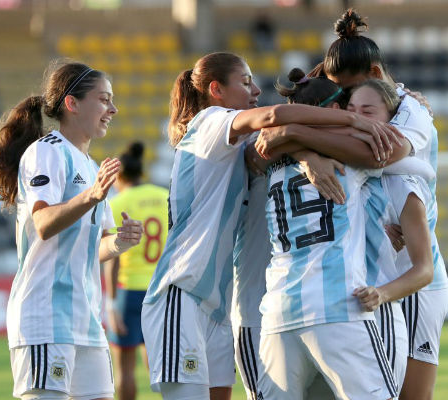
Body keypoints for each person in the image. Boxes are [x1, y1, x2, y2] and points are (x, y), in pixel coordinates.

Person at [140, 52, 402, 400]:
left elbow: (269, 142)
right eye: (245, 82)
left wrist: (303, 151)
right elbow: (274, 118)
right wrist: (358, 123)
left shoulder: (246, 145)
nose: (255, 91)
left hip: (222, 303)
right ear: (216, 89)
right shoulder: (210, 122)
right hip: (183, 289)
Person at [0, 61, 144, 400]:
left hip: (88, 323)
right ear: (72, 103)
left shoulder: (91, 166)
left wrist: (119, 243)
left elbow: (92, 248)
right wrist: (91, 195)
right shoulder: (46, 153)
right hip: (46, 318)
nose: (113, 109)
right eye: (104, 99)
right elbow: (44, 224)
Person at [253, 68, 408, 400]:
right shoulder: (345, 156)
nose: (351, 114)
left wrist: (295, 140)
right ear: (332, 111)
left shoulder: (272, 161)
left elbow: (259, 148)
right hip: (336, 306)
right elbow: (396, 148)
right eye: (345, 107)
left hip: (279, 310)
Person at [321, 10, 448, 400]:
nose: (343, 102)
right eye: (338, 93)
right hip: (370, 277)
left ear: (376, 75)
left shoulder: (411, 111)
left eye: (350, 90)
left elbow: (381, 153)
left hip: (409, 276)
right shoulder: (360, 108)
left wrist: (301, 140)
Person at [103, 141, 169, 400]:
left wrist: (110, 304)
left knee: (125, 371)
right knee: (161, 369)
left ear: (119, 176)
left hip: (128, 292)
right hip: (160, 291)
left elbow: (113, 258)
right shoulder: (164, 196)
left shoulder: (117, 203)